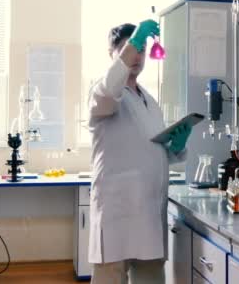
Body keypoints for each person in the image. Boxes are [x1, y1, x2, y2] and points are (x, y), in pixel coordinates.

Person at [88, 20, 192, 284]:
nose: (137, 55)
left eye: (141, 49)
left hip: (148, 213)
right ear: (113, 54)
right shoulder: (102, 91)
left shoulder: (149, 100)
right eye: (128, 49)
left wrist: (175, 147)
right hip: (117, 214)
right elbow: (111, 86)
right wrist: (134, 41)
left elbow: (150, 151)